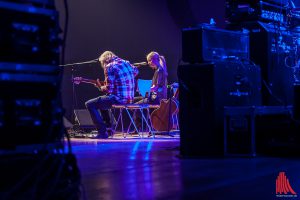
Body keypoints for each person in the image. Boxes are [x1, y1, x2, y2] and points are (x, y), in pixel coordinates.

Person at [85, 51, 138, 138]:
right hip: (130, 99)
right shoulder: (126, 63)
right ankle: (108, 129)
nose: (103, 66)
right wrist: (124, 79)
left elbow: (109, 89)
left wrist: (100, 87)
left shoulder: (110, 66)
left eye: (102, 63)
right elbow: (136, 71)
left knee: (89, 104)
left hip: (119, 99)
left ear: (105, 61)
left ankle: (102, 132)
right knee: (103, 100)